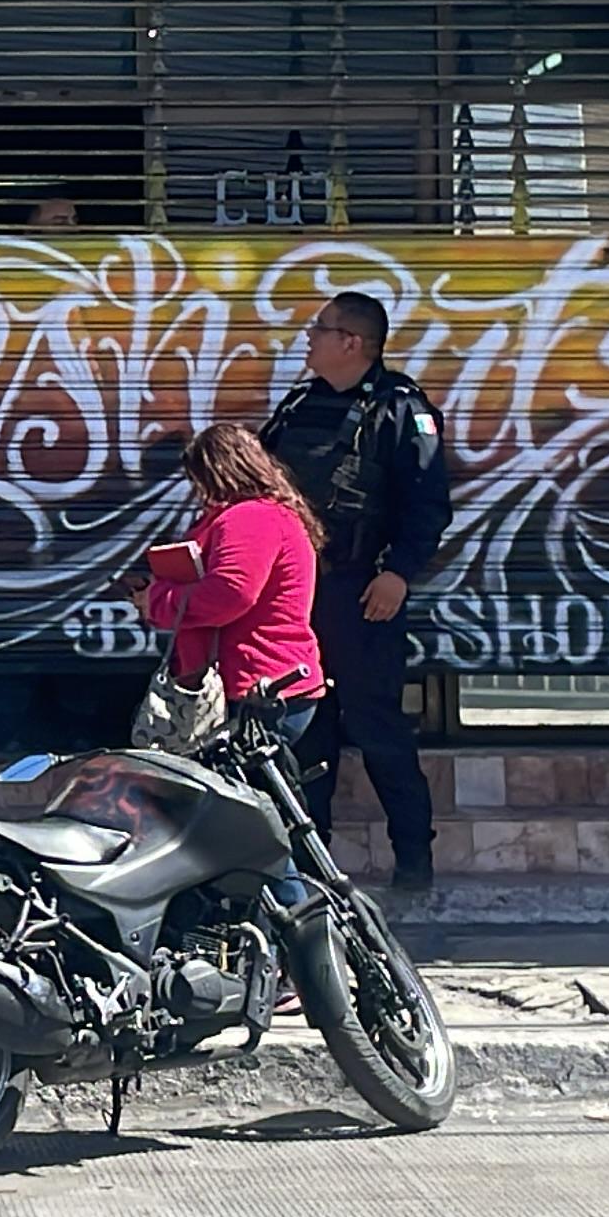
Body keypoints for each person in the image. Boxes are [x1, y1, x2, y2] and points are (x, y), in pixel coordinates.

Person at [260, 289, 453, 891]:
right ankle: (310, 873)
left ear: (352, 343)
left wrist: (397, 573)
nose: (308, 340)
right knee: (304, 730)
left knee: (376, 726)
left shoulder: (401, 410)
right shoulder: (296, 408)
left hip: (363, 591)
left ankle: (414, 859)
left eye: (320, 330)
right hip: (299, 595)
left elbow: (429, 505)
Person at [139, 421, 327, 722]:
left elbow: (230, 593)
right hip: (252, 684)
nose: (198, 492)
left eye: (199, 479)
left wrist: (159, 600)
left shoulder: (251, 518)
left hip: (256, 687)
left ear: (219, 473)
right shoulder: (256, 515)